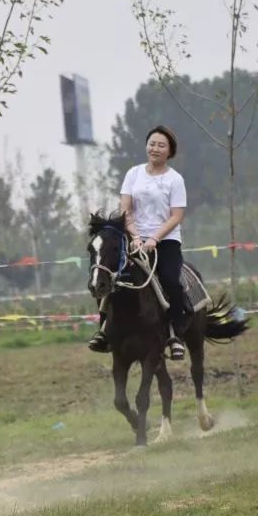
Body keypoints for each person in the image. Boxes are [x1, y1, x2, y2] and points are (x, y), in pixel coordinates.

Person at [88, 124, 193, 360]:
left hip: (166, 241)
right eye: (152, 143)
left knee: (169, 279)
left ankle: (175, 333)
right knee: (110, 273)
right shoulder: (133, 173)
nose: (155, 148)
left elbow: (177, 216)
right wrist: (135, 236)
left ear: (170, 151)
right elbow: (125, 210)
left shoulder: (175, 180)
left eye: (161, 145)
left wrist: (155, 238)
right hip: (134, 238)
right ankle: (105, 329)